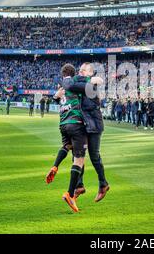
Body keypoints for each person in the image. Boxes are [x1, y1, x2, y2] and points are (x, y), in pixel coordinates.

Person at [60, 62, 110, 202]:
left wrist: (92, 79)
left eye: (84, 70)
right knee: (77, 155)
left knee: (94, 156)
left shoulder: (90, 86)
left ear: (91, 73)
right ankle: (79, 186)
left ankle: (103, 184)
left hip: (93, 124)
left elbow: (76, 83)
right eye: (80, 70)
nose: (80, 72)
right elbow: (70, 84)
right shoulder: (84, 82)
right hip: (84, 125)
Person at [46, 64, 87, 213]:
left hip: (63, 124)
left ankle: (55, 165)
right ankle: (70, 194)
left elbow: (56, 98)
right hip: (75, 123)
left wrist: (55, 96)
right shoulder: (75, 83)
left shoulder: (61, 86)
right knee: (79, 159)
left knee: (68, 146)